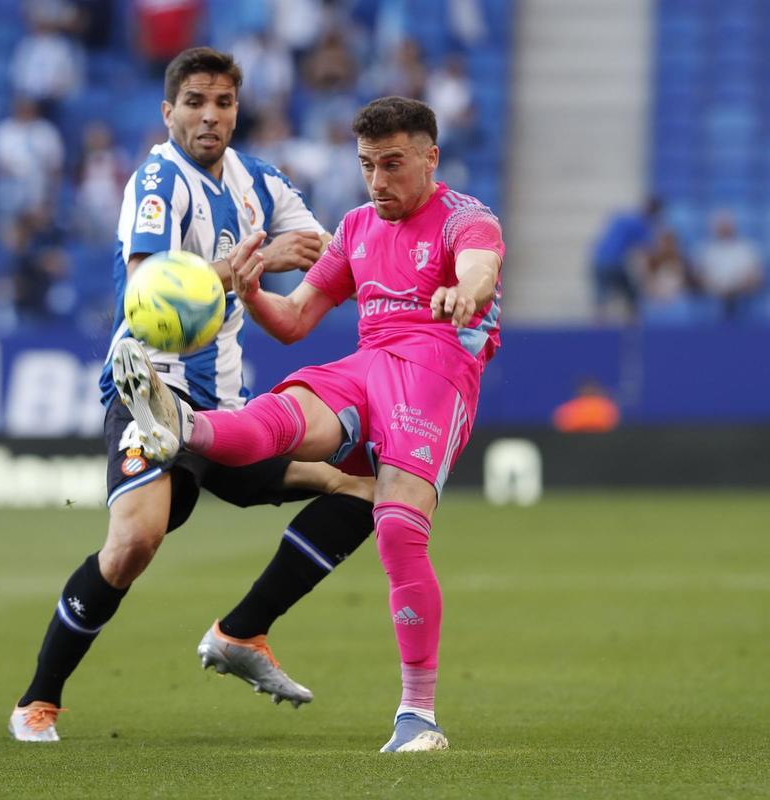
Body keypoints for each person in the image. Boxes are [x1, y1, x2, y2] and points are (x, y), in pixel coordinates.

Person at [113, 96, 505, 752]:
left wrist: (465, 294)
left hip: (434, 369)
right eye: (366, 166)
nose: (377, 182)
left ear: (430, 158)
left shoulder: (467, 219)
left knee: (398, 529)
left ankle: (418, 715)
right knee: (282, 417)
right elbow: (294, 321)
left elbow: (480, 270)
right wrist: (249, 293)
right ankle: (179, 426)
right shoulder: (355, 227)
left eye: (392, 165)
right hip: (369, 362)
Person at [8, 47, 375, 742]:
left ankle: (242, 633)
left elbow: (329, 255)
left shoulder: (258, 180)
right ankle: (38, 700)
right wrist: (258, 261)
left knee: (365, 487)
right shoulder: (157, 180)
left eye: (225, 103)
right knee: (134, 544)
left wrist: (332, 265)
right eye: (197, 102)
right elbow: (151, 286)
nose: (211, 116)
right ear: (168, 110)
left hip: (228, 412)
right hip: (153, 391)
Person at [590, 196, 663, 322]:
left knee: (602, 296)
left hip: (598, 259)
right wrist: (651, 283)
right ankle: (632, 330)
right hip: (614, 262)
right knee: (632, 295)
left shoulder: (623, 216)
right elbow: (646, 254)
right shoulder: (642, 224)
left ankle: (598, 328)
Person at [694, 210, 763, 320]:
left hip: (741, 293)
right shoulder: (705, 250)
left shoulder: (747, 248)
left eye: (727, 225)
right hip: (713, 293)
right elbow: (699, 276)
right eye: (721, 225)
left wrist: (737, 286)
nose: (724, 228)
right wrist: (717, 287)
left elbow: (755, 275)